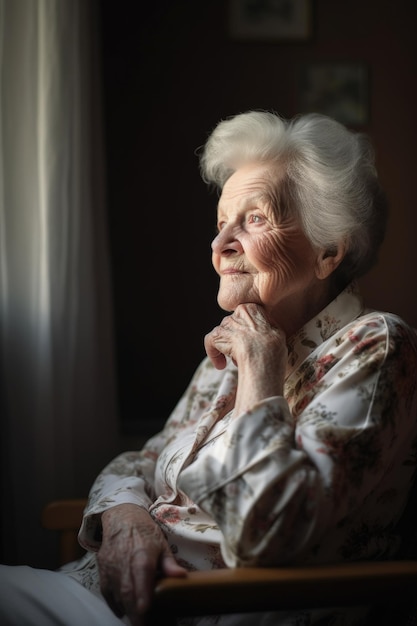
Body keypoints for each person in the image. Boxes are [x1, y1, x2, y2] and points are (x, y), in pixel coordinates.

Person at [1, 109, 417, 626]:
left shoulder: (376, 347)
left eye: (256, 219)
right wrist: (128, 518)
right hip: (99, 592)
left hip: (188, 612)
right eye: (222, 223)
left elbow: (268, 533)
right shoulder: (238, 345)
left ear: (328, 251)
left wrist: (261, 377)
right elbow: (141, 462)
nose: (220, 246)